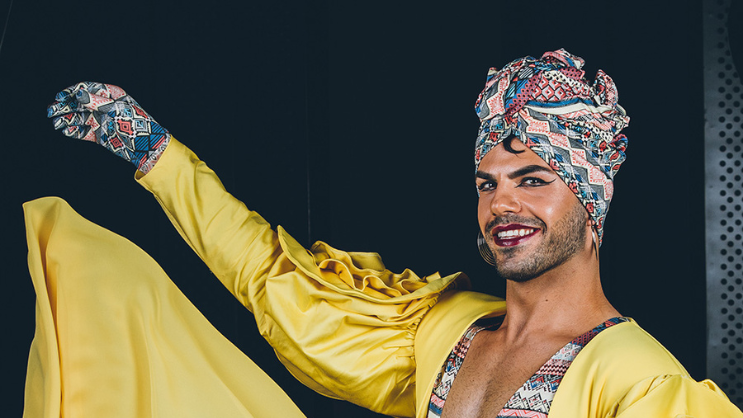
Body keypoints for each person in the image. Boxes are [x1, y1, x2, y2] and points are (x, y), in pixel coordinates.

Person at [25, 49, 741, 417]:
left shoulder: (640, 382)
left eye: (532, 179)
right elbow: (275, 280)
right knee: (103, 295)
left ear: (591, 201)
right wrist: (153, 152)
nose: (502, 204)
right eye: (486, 183)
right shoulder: (442, 331)